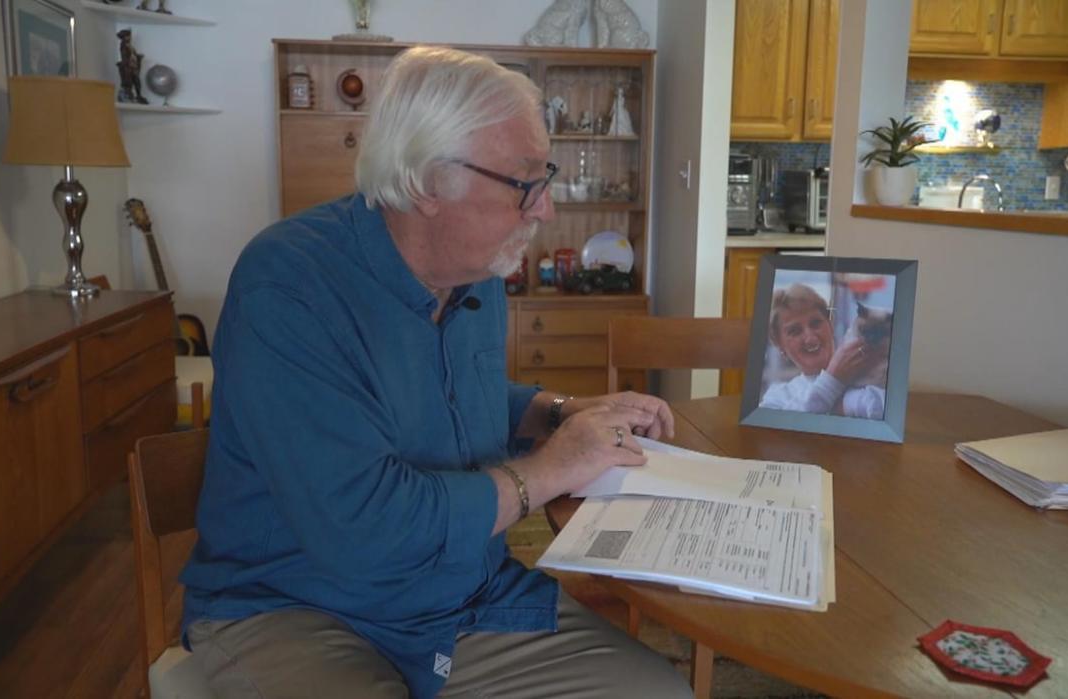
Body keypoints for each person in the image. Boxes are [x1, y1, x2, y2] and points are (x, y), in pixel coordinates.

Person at [180, 46, 693, 699]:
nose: (546, 210)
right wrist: (554, 466)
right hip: (294, 602)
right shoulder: (288, 286)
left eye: (548, 176)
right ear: (425, 182)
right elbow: (365, 529)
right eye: (524, 182)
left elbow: (455, 404)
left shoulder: (478, 273)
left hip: (459, 593)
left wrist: (566, 410)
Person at [759, 283, 887, 418]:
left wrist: (841, 405)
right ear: (781, 347)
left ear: (830, 326)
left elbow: (892, 410)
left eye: (816, 323)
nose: (810, 338)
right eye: (795, 331)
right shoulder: (778, 396)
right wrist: (834, 380)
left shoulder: (870, 365)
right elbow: (778, 427)